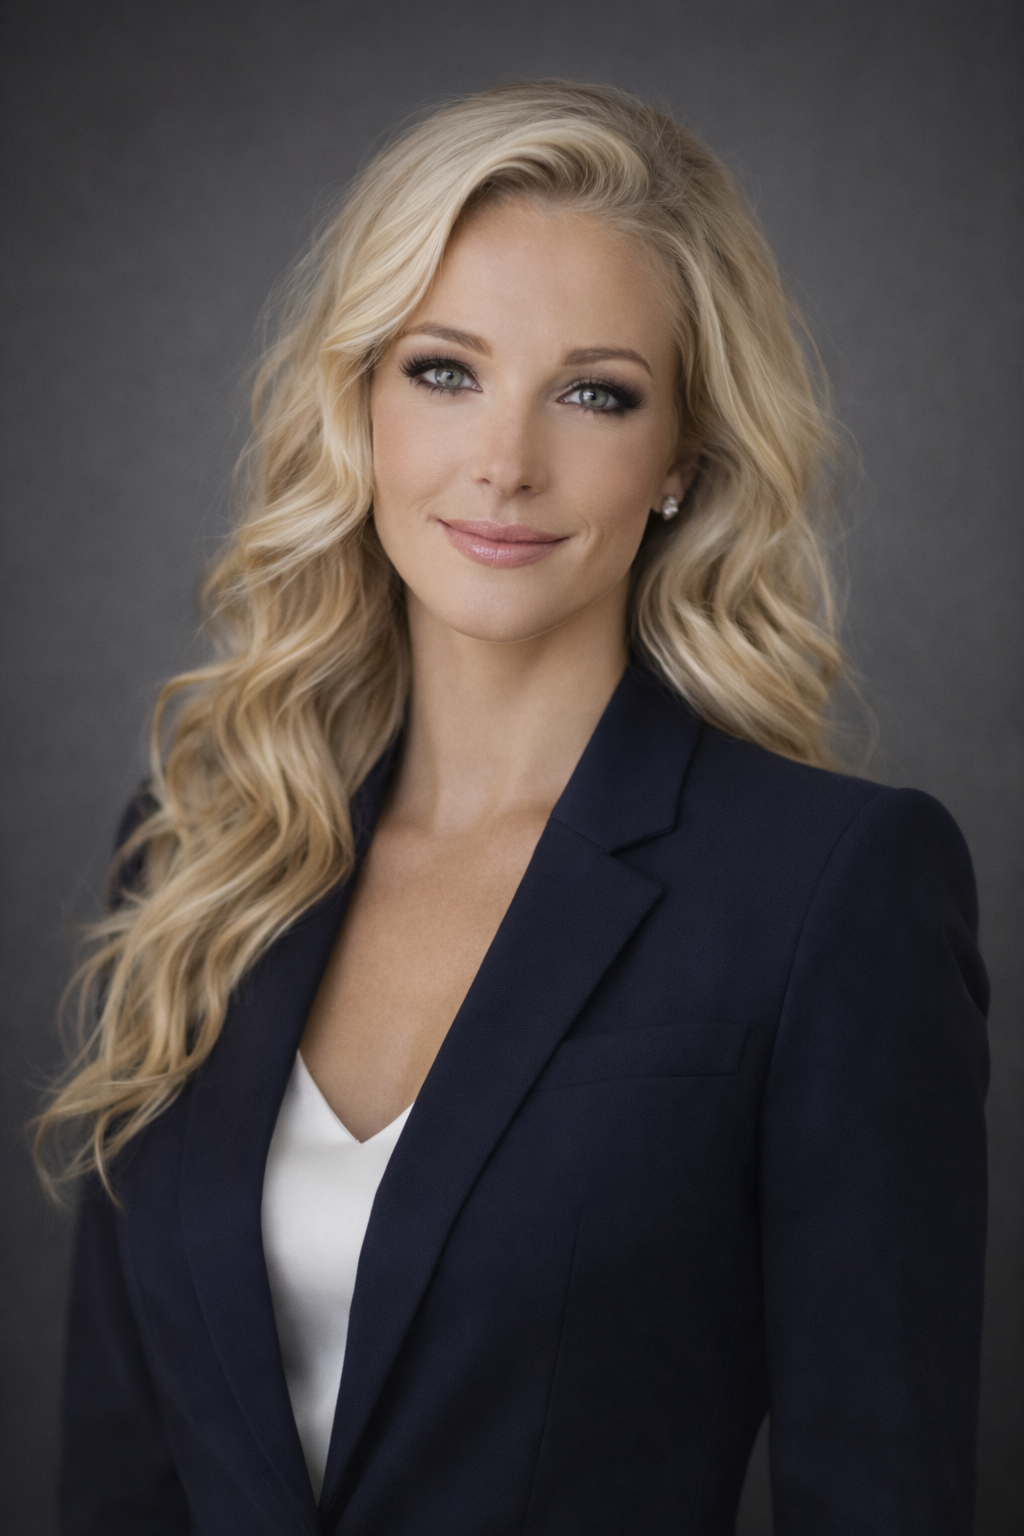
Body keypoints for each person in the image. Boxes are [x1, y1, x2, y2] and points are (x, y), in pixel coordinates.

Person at [38, 81, 989, 1535]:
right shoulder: (198, 853)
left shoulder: (831, 889)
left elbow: (880, 1490)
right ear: (359, 402)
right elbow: (122, 1476)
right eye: (444, 371)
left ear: (680, 460)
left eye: (595, 393)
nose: (505, 463)